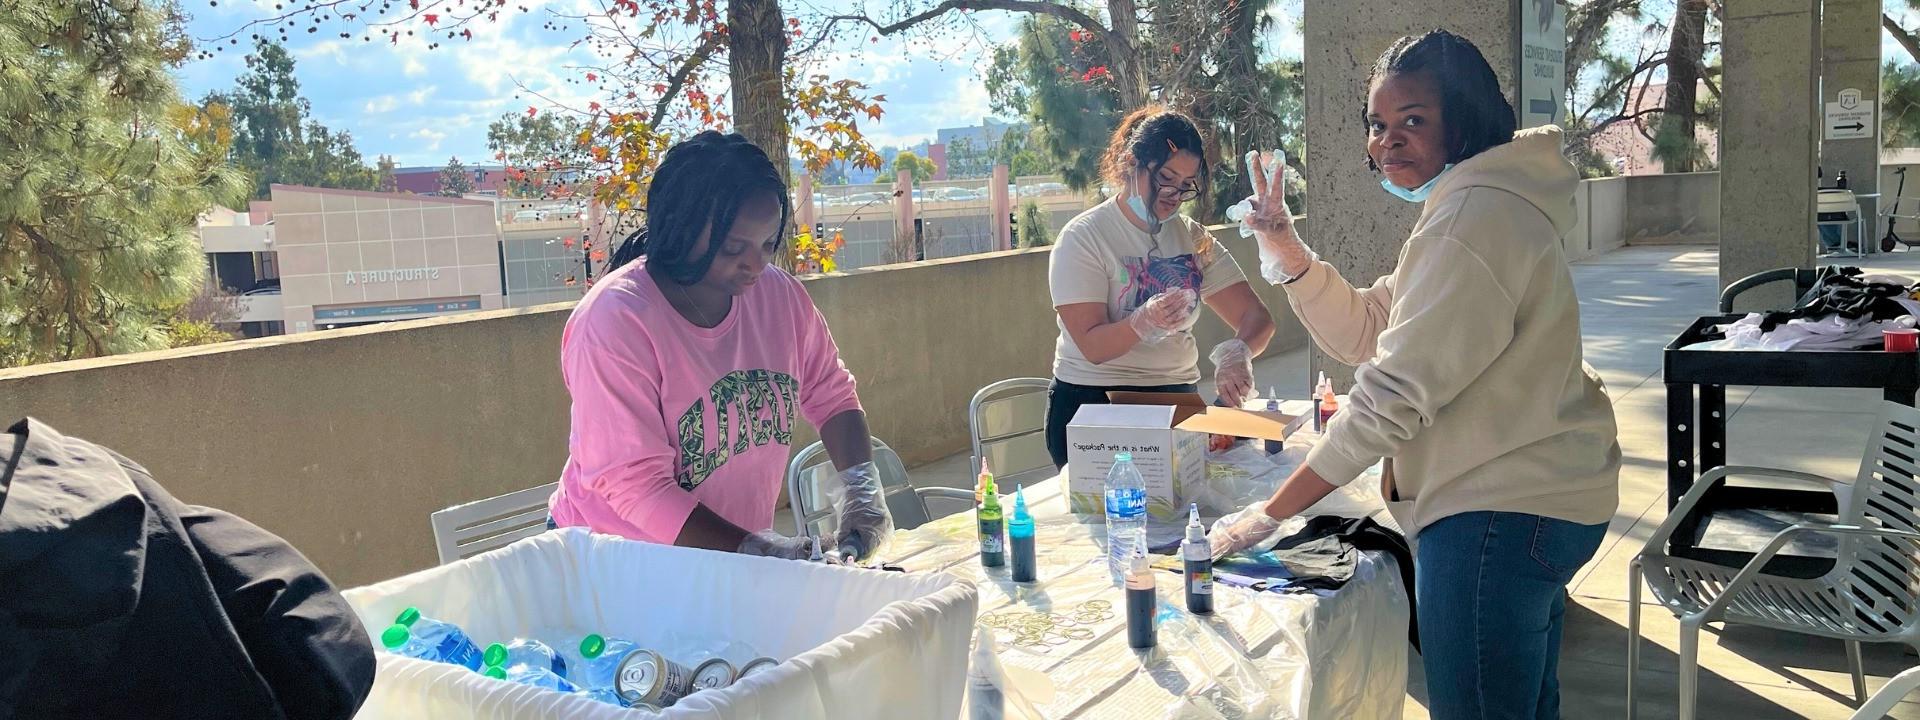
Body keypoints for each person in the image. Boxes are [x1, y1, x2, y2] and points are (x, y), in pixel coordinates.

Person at [1211, 30, 1622, 719]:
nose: (1387, 141)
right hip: (1538, 501)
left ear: (1463, 120)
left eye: (1413, 120)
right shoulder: (1478, 201)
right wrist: (1286, 249)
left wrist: (1270, 514)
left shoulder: (1472, 216)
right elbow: (1369, 329)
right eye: (1378, 123)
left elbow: (1390, 397)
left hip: (1496, 514)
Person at [546, 132, 890, 562]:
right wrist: (754, 550)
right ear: (682, 228)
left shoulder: (779, 297)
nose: (756, 264)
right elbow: (635, 485)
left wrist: (861, 488)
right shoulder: (617, 320)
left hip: (723, 556)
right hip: (618, 563)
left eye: (768, 244)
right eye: (733, 247)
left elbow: (832, 394)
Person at [1045, 106, 1277, 469]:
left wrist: (1239, 352)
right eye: (1165, 178)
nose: (1174, 193)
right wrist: (1142, 322)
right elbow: (1091, 345)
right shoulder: (1084, 237)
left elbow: (1256, 317)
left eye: (1186, 185)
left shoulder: (1192, 236)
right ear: (1130, 164)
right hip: (1095, 405)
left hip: (1176, 402)